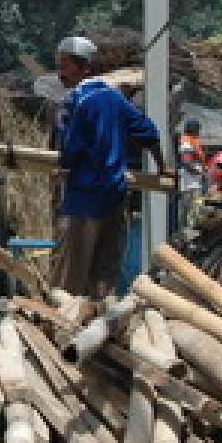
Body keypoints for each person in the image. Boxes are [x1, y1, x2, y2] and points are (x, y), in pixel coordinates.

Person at [50, 36, 165, 297]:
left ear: (84, 68)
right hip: (114, 198)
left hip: (83, 200)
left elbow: (70, 150)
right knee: (104, 277)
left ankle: (62, 330)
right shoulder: (115, 99)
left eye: (66, 66)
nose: (61, 74)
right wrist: (162, 166)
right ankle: (103, 325)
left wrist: (62, 170)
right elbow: (148, 131)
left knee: (69, 279)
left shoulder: (76, 102)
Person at [176, 119, 208, 228]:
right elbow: (186, 162)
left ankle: (191, 232)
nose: (199, 132)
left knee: (195, 210)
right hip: (190, 185)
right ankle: (189, 236)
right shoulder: (186, 142)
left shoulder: (192, 141)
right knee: (192, 212)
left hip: (194, 183)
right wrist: (199, 173)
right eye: (198, 129)